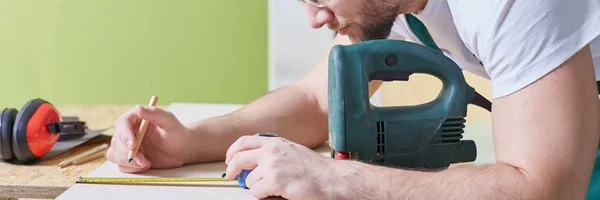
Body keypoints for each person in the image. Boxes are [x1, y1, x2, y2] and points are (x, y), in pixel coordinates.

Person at [106, 0, 600, 199]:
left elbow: (544, 188)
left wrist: (336, 178)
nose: (313, 18)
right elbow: (318, 101)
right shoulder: (391, 6)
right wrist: (192, 141)